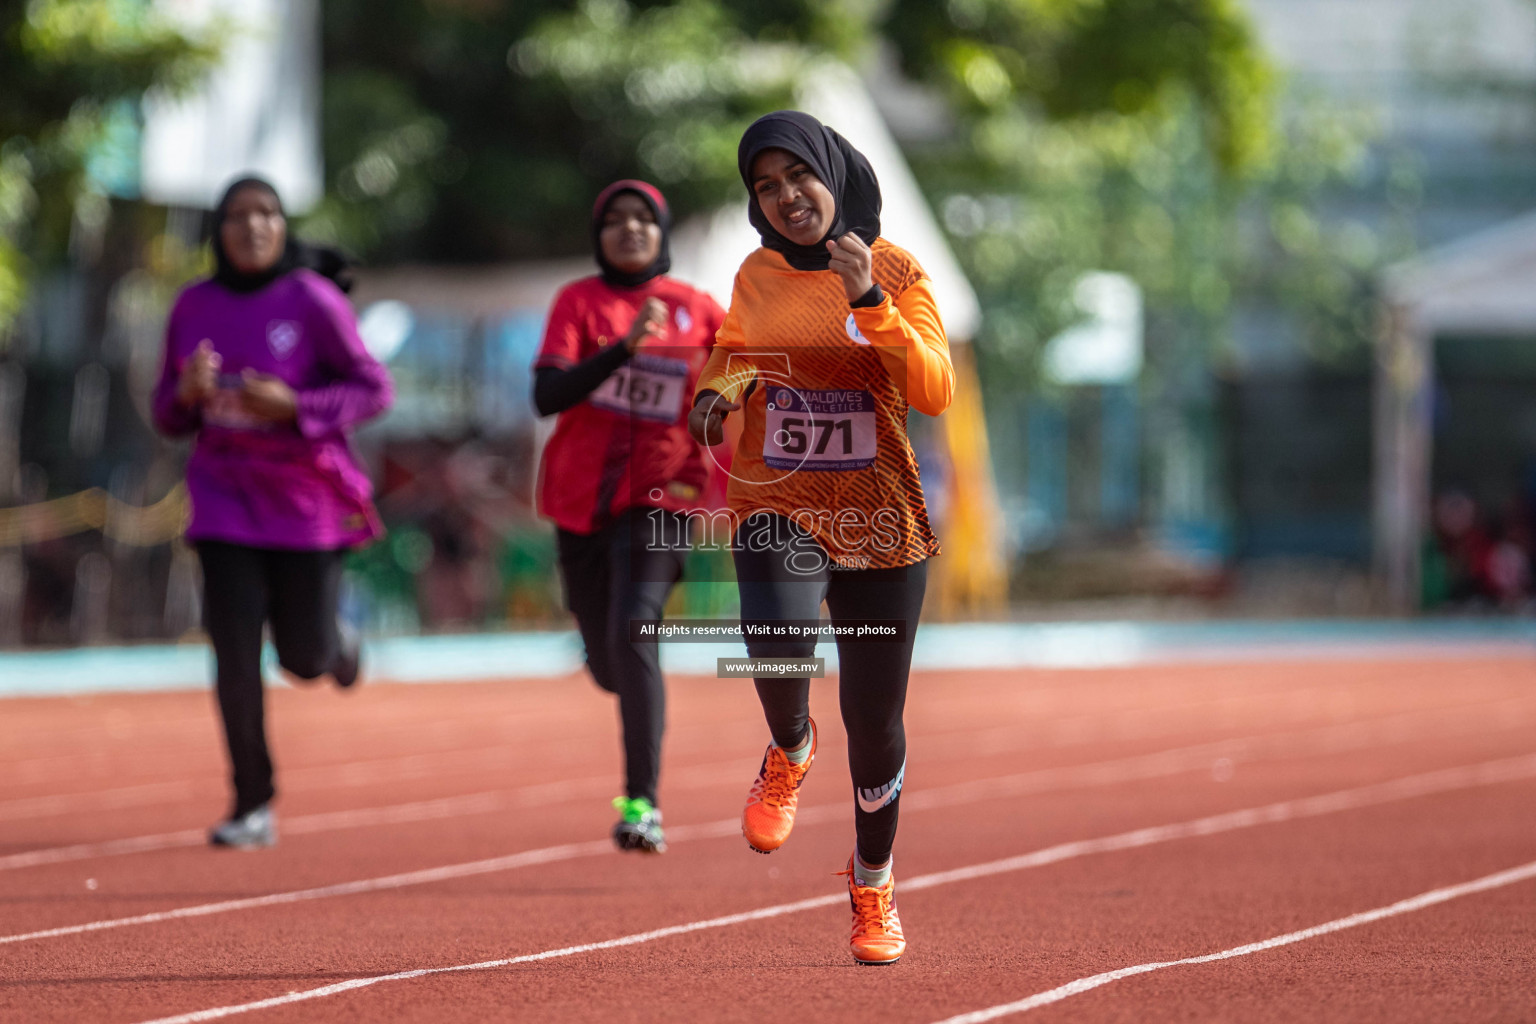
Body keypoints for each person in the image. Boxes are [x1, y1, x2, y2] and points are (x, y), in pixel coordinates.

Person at [688, 111, 953, 964]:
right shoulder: (755, 273)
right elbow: (735, 350)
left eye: (795, 177)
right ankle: (790, 746)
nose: (784, 197)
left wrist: (869, 299)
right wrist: (718, 389)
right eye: (765, 187)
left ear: (832, 174)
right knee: (781, 638)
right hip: (779, 498)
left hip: (879, 516)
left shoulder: (898, 269)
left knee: (875, 722)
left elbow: (935, 388)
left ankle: (872, 883)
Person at [152, 176, 393, 849]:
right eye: (236, 215)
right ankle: (251, 802)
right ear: (217, 231)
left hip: (305, 502)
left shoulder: (312, 301)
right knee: (232, 653)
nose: (251, 227)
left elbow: (374, 389)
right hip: (223, 496)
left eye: (266, 214)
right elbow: (166, 413)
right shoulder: (192, 306)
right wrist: (187, 392)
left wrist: (295, 408)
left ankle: (336, 645)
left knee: (304, 659)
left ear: (284, 227)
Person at [532, 179, 726, 853]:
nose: (630, 230)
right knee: (609, 660)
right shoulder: (578, 302)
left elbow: (747, 377)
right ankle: (615, 664)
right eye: (615, 219)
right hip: (579, 498)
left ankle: (641, 804)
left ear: (662, 232)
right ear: (599, 235)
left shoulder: (698, 310)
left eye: (644, 219)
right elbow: (547, 394)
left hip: (664, 495)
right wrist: (621, 351)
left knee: (635, 629)